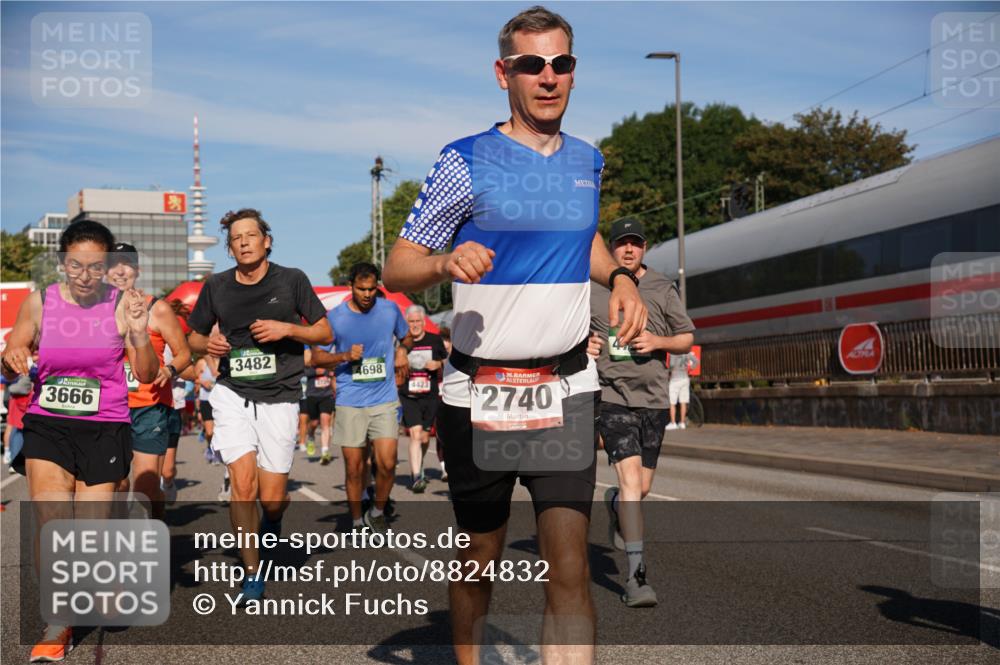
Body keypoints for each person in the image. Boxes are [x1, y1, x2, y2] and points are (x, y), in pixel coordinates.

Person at [382, 7, 647, 663]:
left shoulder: (588, 160)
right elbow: (397, 265)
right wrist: (444, 261)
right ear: (504, 74)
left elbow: (582, 234)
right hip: (480, 393)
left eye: (561, 63)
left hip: (564, 388)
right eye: (532, 64)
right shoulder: (464, 161)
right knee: (480, 558)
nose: (548, 77)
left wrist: (620, 277)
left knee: (570, 567)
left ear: (574, 73)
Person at [1, 219, 157, 663]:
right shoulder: (41, 302)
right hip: (48, 423)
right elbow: (12, 353)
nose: (85, 275)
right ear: (62, 263)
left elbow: (146, 373)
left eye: (95, 266)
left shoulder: (122, 305)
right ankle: (57, 623)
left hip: (105, 426)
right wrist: (13, 356)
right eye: (75, 265)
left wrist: (140, 333)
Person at [187, 208, 332, 603]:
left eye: (251, 235)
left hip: (280, 396)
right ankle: (252, 573)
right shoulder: (216, 286)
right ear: (230, 248)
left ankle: (273, 518)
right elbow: (193, 338)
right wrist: (207, 343)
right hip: (232, 393)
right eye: (236, 238)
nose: (244, 242)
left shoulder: (292, 280)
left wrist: (288, 329)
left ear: (266, 241)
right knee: (242, 484)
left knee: (272, 498)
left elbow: (324, 331)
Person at [588, 217, 695, 607]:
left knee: (641, 488)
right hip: (612, 395)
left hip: (653, 399)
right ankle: (636, 578)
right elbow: (569, 333)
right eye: (622, 243)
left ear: (644, 247)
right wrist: (585, 344)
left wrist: (657, 341)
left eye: (635, 243)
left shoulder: (661, 287)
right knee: (632, 482)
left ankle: (616, 505)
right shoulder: (593, 288)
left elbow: (686, 338)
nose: (629, 249)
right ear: (611, 249)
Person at [311, 262, 411, 534]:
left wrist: (402, 350)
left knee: (387, 463)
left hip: (384, 398)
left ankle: (376, 512)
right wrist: (344, 356)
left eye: (371, 289)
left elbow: (407, 337)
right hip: (350, 400)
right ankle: (356, 521)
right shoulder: (335, 317)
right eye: (361, 289)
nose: (367, 294)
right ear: (350, 286)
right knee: (354, 468)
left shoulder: (390, 310)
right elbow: (317, 357)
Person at [106, 243, 193, 520]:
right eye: (113, 264)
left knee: (145, 487)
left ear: (138, 270)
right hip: (108, 407)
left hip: (150, 406)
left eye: (127, 264)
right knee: (116, 485)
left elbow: (184, 353)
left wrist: (169, 370)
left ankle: (154, 529)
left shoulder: (158, 308)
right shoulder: (95, 311)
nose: (120, 271)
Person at [398, 305, 447, 493]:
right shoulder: (401, 343)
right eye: (411, 321)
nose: (415, 325)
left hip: (430, 396)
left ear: (424, 322)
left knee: (425, 437)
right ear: (406, 323)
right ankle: (416, 476)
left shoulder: (434, 340)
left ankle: (420, 461)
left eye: (418, 321)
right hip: (409, 395)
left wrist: (438, 363)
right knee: (415, 434)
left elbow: (448, 361)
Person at [300, 349, 335, 462]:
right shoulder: (309, 359)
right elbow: (303, 373)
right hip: (312, 395)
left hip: (327, 395)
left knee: (325, 421)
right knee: (314, 423)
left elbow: (335, 373)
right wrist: (315, 372)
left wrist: (330, 373)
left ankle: (325, 452)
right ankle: (311, 436)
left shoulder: (329, 359)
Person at [667, 349, 699, 429]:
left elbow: (671, 365)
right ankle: (682, 423)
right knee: (683, 402)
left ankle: (673, 423)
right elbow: (696, 361)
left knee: (672, 402)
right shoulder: (686, 352)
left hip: (675, 379)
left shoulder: (672, 352)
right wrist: (690, 368)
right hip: (684, 378)